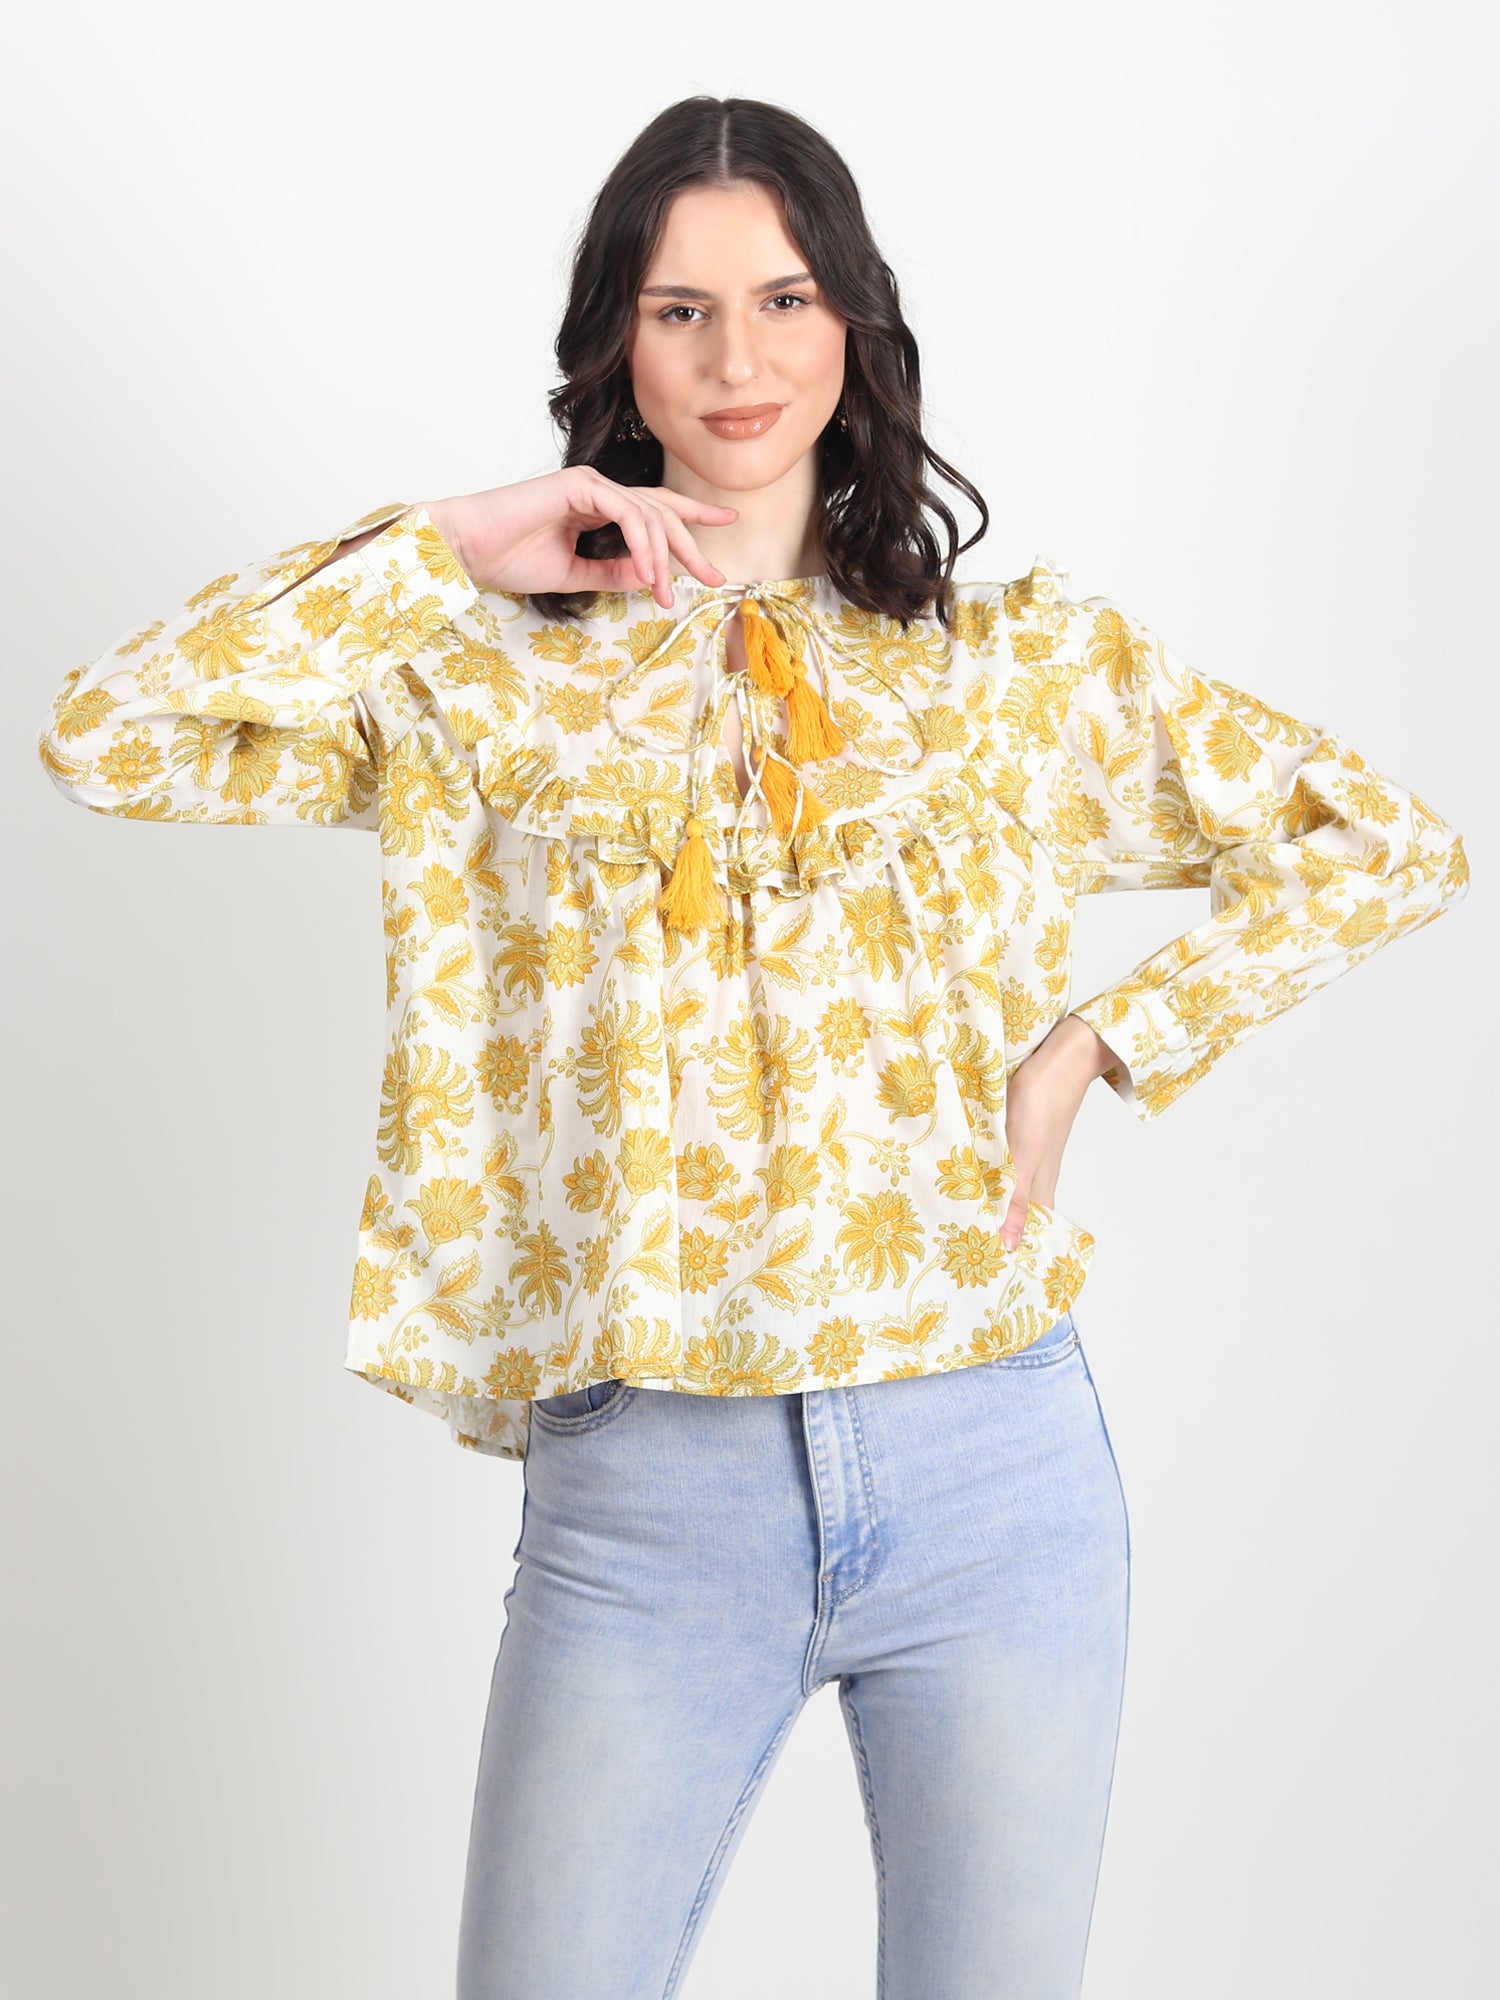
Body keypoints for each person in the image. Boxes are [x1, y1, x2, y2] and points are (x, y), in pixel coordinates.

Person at [36, 95, 1469, 2000]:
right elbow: (108, 735)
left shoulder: (1009, 673)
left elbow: (1384, 844)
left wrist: (1098, 1044)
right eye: (680, 309)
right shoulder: (482, 672)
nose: (738, 360)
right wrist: (449, 542)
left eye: (785, 300)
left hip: (997, 1463)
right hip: (649, 1496)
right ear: (618, 343)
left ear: (853, 321)